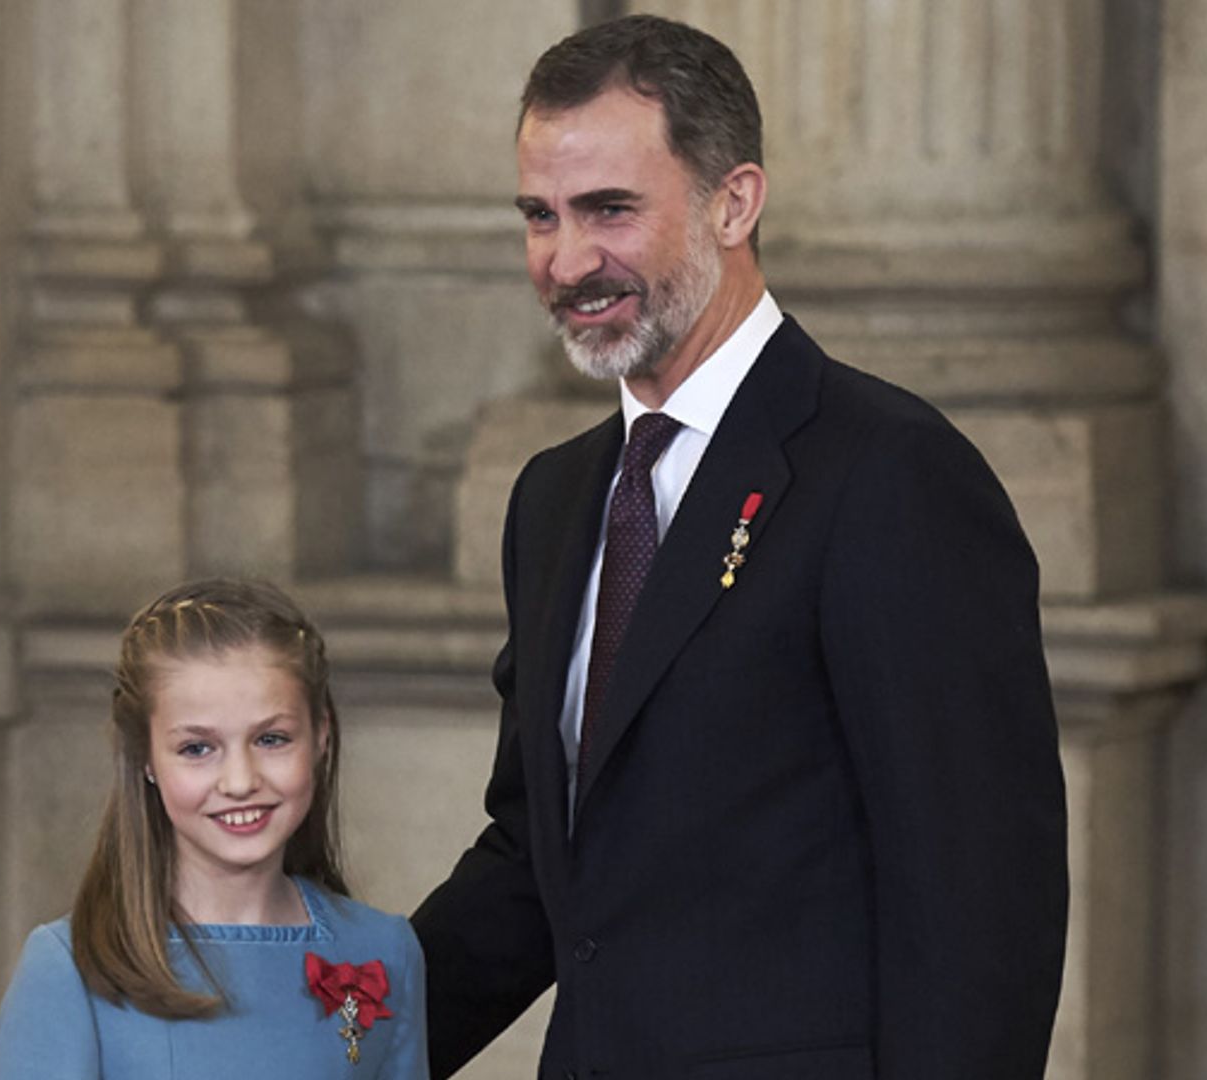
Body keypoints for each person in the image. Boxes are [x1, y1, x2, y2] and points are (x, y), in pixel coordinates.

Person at [412, 15, 1067, 1080]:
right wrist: (328, 1040)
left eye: (609, 210)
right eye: (540, 215)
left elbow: (980, 903)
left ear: (735, 201)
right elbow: (543, 867)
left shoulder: (891, 477)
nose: (568, 260)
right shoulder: (556, 497)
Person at [0, 579, 429, 1080]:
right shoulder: (70, 968)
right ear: (145, 758)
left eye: (271, 738)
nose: (240, 781)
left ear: (321, 735)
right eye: (197, 748)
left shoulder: (383, 950)